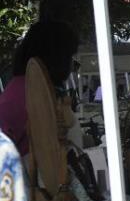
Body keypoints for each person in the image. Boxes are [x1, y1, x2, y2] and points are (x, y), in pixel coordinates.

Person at [0, 20, 79, 156]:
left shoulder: (37, 89)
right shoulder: (22, 95)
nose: (71, 65)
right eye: (69, 56)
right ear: (56, 56)